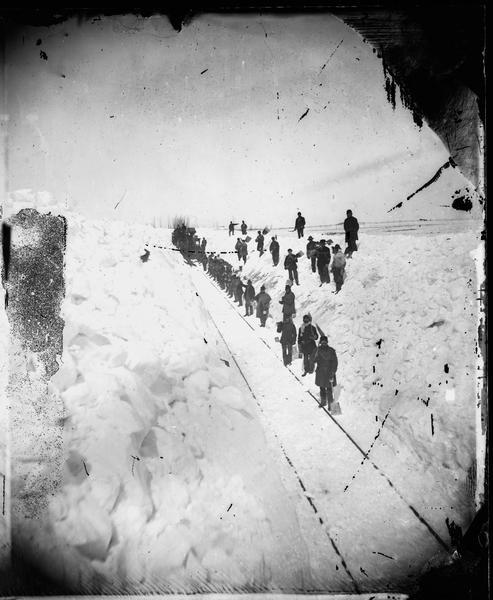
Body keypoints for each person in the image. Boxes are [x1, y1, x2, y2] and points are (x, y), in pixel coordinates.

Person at [313, 336, 338, 408]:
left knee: (323, 388)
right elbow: (335, 362)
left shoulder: (318, 350)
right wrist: (333, 372)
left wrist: (315, 355)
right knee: (328, 389)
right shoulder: (331, 350)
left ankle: (325, 402)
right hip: (329, 372)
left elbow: (313, 361)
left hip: (321, 372)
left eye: (324, 342)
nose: (323, 343)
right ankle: (329, 404)